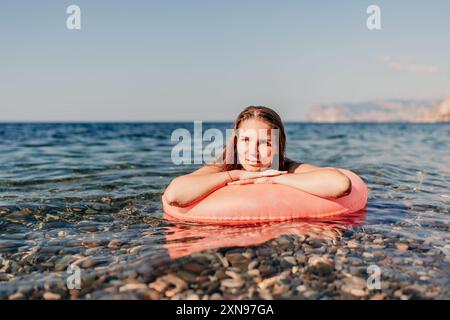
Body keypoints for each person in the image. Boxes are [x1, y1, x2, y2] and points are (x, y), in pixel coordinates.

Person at [164, 106, 351, 207]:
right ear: (235, 142)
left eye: (265, 143)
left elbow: (340, 185)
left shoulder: (288, 167)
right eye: (246, 140)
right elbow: (174, 195)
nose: (253, 152)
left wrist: (273, 179)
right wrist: (236, 176)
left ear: (279, 146)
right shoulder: (225, 167)